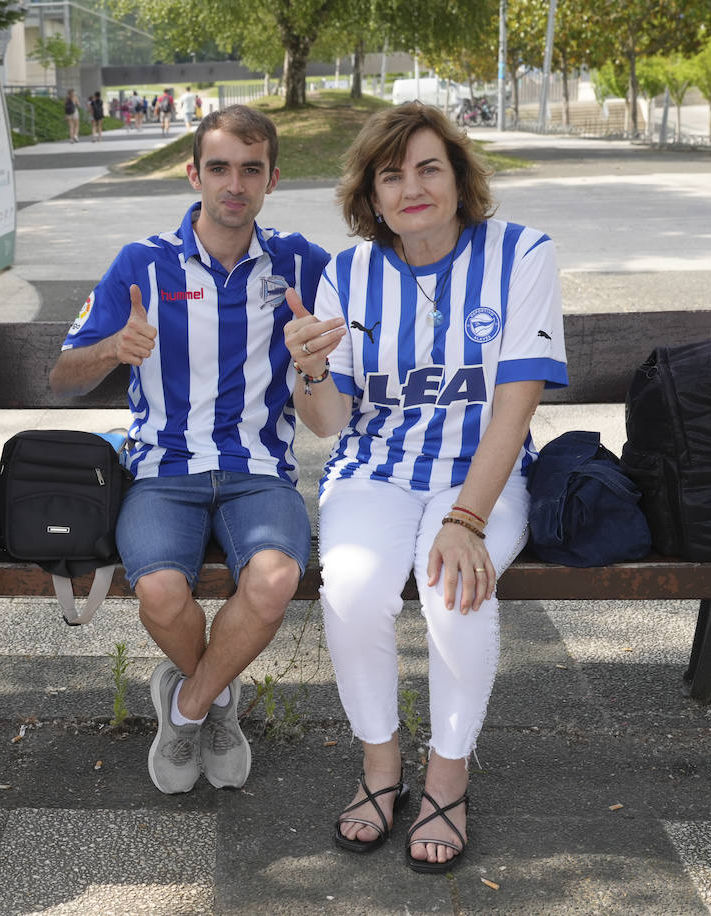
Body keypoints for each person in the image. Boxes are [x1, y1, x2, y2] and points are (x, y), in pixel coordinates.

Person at [288, 102, 567, 872]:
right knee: (351, 587)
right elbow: (328, 422)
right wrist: (311, 369)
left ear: (459, 178)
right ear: (371, 197)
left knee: (451, 587)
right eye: (391, 176)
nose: (411, 188)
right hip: (375, 469)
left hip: (480, 474)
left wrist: (467, 520)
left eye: (428, 168)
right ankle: (381, 767)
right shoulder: (346, 273)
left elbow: (515, 406)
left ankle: (448, 777)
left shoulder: (521, 253)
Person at [49, 105, 329, 795]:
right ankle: (220, 691)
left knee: (274, 580)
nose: (235, 184)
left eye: (251, 170)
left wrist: (317, 358)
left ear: (272, 179)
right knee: (160, 590)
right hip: (161, 471)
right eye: (219, 168)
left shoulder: (303, 263)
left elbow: (343, 371)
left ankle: (190, 706)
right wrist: (112, 349)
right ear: (193, 173)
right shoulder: (142, 263)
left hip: (259, 472)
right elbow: (62, 377)